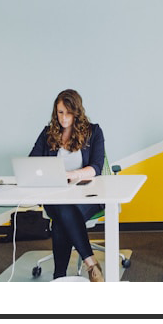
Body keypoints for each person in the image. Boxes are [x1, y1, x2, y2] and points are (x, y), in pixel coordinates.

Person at [29, 89, 106, 282]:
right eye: (60, 112)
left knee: (61, 219)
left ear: (77, 112)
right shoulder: (48, 134)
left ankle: (59, 276)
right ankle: (91, 264)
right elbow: (32, 162)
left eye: (68, 113)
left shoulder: (93, 132)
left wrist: (72, 175)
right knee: (62, 208)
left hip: (87, 195)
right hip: (55, 196)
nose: (63, 118)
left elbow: (96, 167)